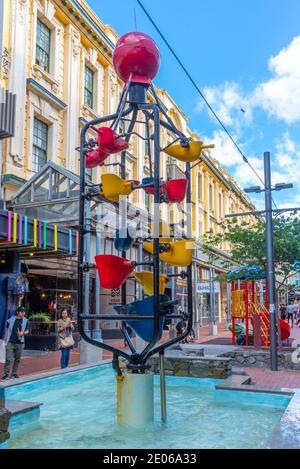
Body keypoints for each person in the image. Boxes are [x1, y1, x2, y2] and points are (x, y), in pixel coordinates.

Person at [2, 306, 29, 380]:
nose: (23, 313)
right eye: (22, 312)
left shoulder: (25, 321)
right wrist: (5, 340)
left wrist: (22, 333)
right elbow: (7, 330)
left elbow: (27, 331)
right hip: (10, 342)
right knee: (8, 358)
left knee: (17, 359)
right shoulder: (11, 320)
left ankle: (14, 373)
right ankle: (6, 374)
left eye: (24, 312)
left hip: (20, 343)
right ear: (17, 312)